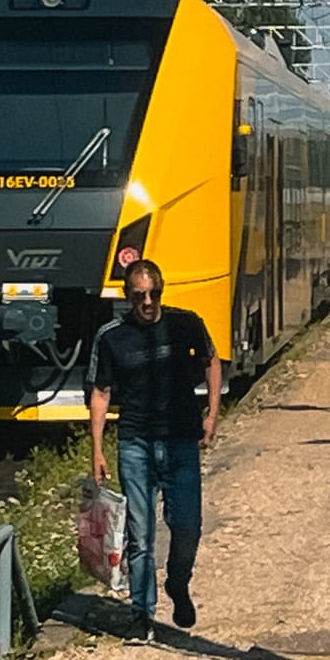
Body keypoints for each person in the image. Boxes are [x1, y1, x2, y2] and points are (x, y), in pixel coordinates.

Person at [88, 257, 222, 630]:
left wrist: (212, 414)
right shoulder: (112, 336)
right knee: (140, 533)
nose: (147, 303)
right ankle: (142, 613)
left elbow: (212, 361)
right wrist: (97, 449)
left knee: (188, 527)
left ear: (161, 291)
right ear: (127, 296)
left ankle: (178, 584)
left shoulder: (185, 324)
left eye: (153, 294)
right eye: (138, 296)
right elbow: (101, 393)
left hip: (181, 439)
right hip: (135, 442)